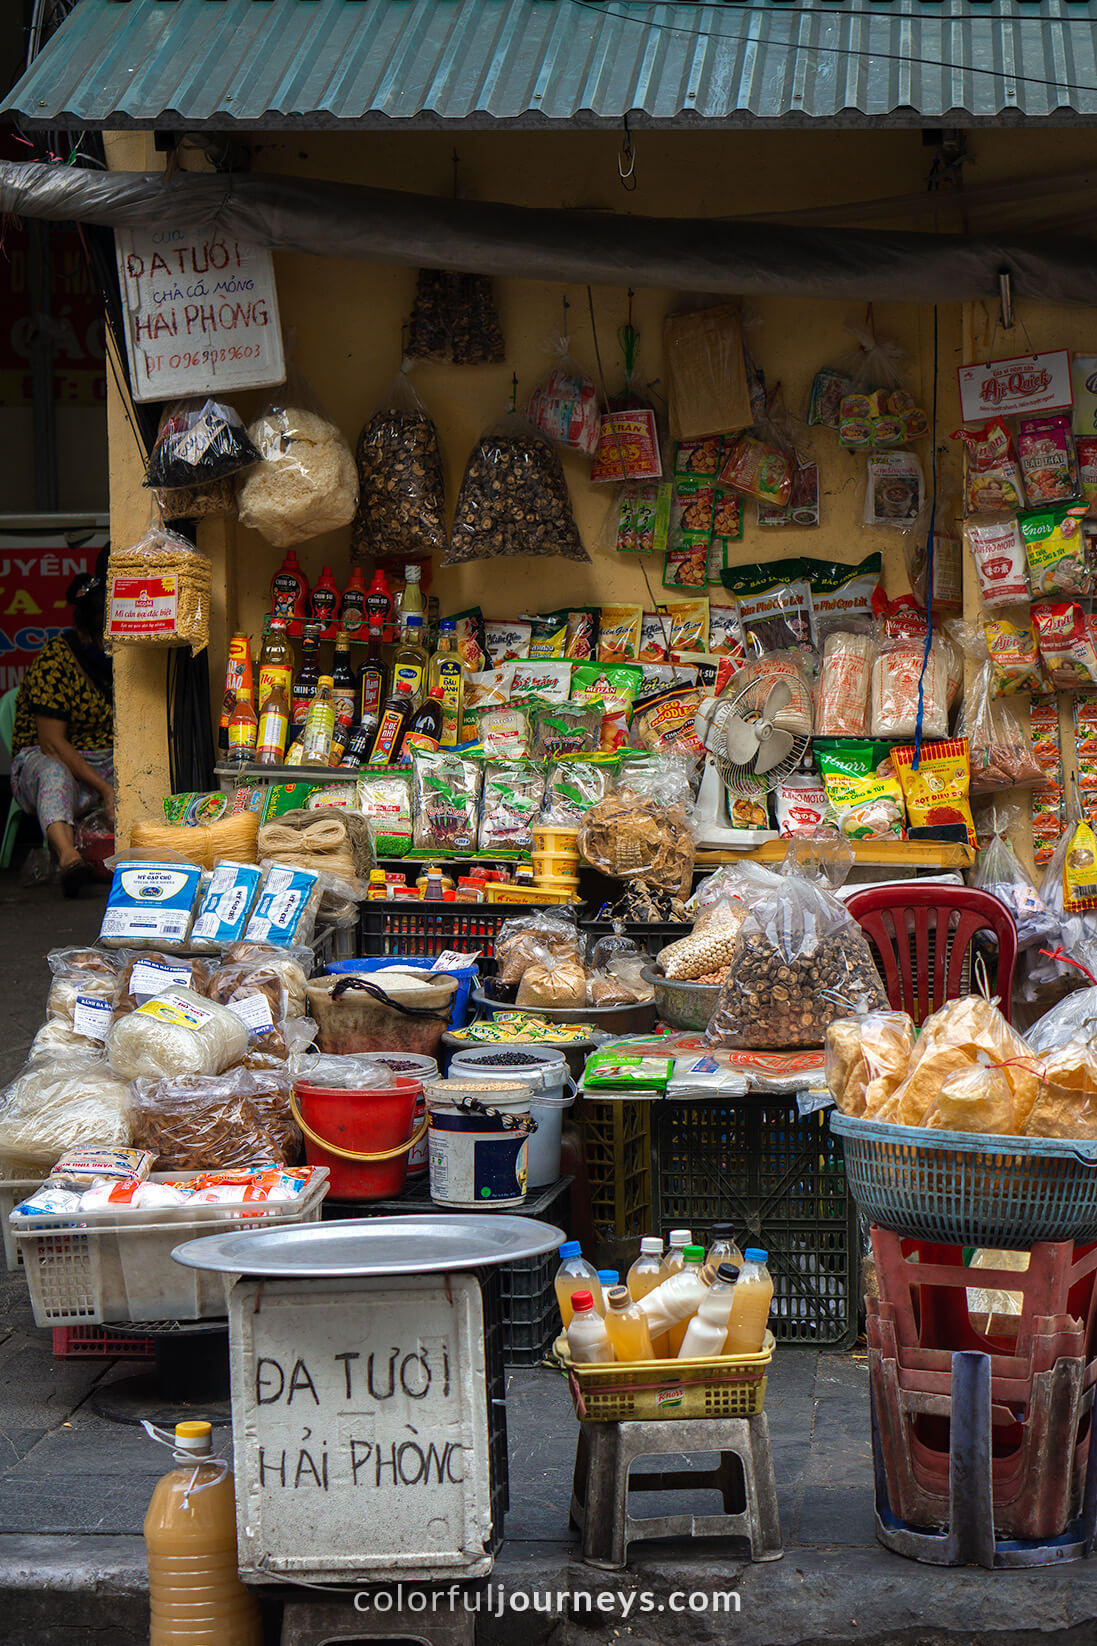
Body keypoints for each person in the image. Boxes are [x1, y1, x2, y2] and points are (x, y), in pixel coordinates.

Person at [10, 546, 114, 896]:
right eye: (104, 637)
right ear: (87, 630)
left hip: (105, 761)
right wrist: (104, 789)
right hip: (50, 762)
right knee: (54, 773)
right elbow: (52, 743)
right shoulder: (55, 660)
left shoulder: (118, 665)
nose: (108, 646)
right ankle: (70, 859)